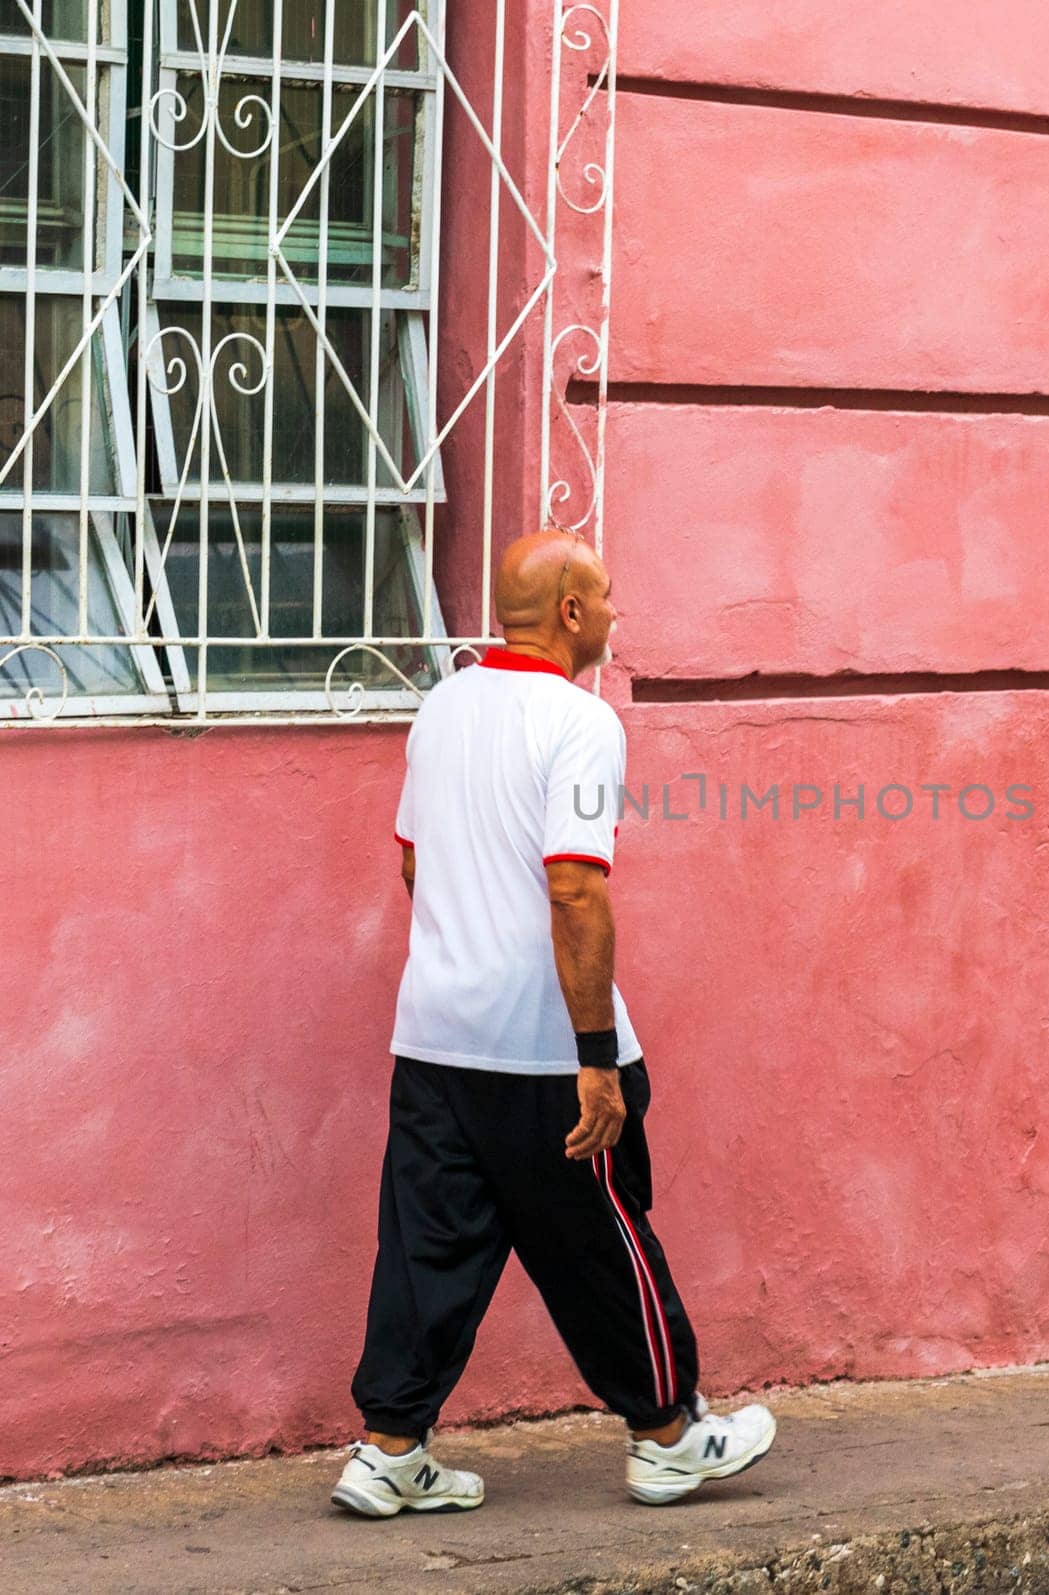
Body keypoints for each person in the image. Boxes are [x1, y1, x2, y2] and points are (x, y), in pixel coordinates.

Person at [332, 528, 775, 1515]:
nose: (618, 613)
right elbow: (575, 887)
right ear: (571, 612)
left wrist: (466, 948)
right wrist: (593, 1061)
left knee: (427, 1245)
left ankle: (388, 1448)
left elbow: (414, 863)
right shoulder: (581, 722)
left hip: (435, 1031)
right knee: (602, 1237)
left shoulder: (443, 706)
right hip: (540, 1048)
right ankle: (669, 1432)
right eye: (608, 596)